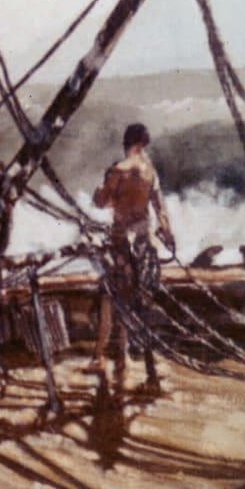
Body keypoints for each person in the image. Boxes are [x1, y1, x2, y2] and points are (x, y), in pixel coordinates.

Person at [88, 123, 175, 381]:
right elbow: (160, 210)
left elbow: (100, 202)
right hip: (143, 243)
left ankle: (100, 356)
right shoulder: (151, 171)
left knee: (109, 298)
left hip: (121, 244)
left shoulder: (118, 171)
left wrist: (99, 192)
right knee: (139, 300)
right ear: (143, 145)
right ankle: (131, 360)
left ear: (128, 144)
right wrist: (168, 235)